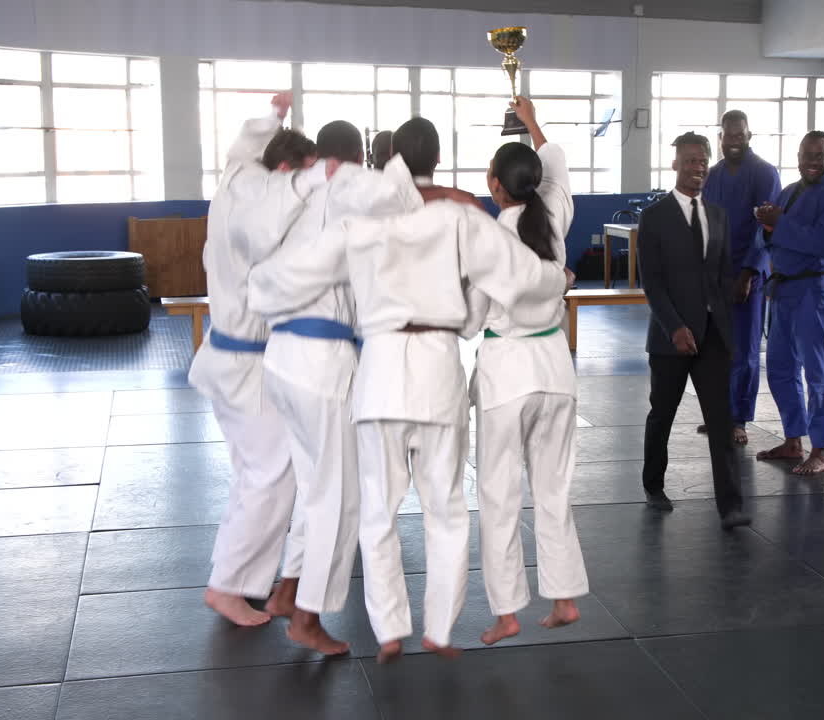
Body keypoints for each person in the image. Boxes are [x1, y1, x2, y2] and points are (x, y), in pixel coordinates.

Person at [289, 116, 572, 663]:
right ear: (438, 159)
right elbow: (483, 301)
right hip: (441, 367)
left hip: (380, 370)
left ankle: (389, 625)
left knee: (378, 510)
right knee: (445, 508)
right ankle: (440, 627)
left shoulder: (361, 211)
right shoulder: (461, 213)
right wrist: (553, 282)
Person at [247, 119, 419, 654]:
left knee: (315, 488)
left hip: (283, 358)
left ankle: (289, 587)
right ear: (350, 158)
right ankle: (306, 616)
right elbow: (402, 200)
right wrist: (394, 160)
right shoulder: (346, 183)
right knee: (339, 500)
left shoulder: (296, 192)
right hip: (320, 363)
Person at [461, 98, 588, 647]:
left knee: (498, 493)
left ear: (494, 185)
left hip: (507, 376)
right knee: (554, 488)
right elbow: (555, 162)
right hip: (556, 371)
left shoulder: (488, 243)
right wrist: (532, 120)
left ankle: (508, 611)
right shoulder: (553, 215)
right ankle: (562, 599)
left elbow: (468, 322)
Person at [187, 93, 316, 626]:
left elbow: (245, 145)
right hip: (245, 364)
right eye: (299, 180)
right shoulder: (256, 205)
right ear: (284, 171)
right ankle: (228, 585)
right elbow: (270, 235)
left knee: (254, 472)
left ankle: (238, 578)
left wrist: (273, 116)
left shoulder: (238, 179)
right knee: (273, 473)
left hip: (230, 357)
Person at [638, 131, 750, 530]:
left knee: (721, 421)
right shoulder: (654, 217)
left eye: (702, 160)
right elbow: (652, 282)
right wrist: (675, 328)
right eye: (689, 160)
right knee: (662, 415)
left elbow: (723, 278)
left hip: (713, 337)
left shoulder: (718, 216)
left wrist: (727, 335)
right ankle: (654, 485)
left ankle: (731, 506)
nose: (697, 167)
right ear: (675, 165)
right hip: (671, 338)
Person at [753, 131, 824, 476]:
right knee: (781, 368)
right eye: (807, 154)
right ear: (798, 155)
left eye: (820, 155)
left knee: (816, 372)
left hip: (812, 290)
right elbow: (767, 236)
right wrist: (767, 226)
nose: (812, 161)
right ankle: (793, 439)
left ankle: (820, 450)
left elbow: (821, 243)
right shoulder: (789, 192)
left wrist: (778, 223)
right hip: (782, 290)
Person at [699, 110, 781, 444]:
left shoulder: (763, 173)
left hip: (746, 275)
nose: (733, 140)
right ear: (720, 137)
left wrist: (748, 273)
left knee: (744, 351)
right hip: (714, 274)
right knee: (715, 349)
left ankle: (739, 419)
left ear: (749, 136)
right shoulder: (713, 175)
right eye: (727, 135)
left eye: (739, 135)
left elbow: (766, 228)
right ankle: (720, 412)